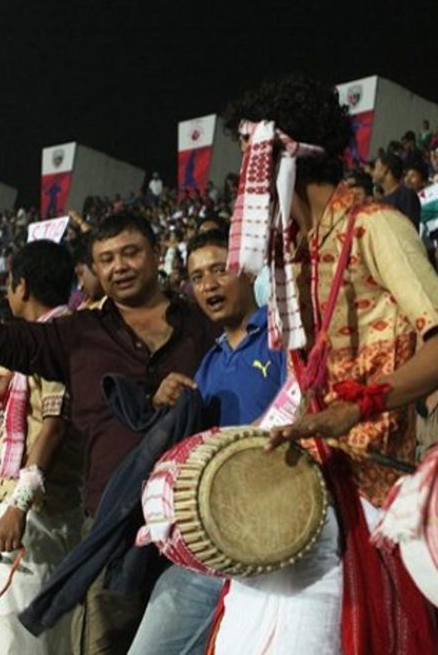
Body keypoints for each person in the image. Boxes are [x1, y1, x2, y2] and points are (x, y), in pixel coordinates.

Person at [217, 73, 438, 654]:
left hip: (362, 486)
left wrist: (357, 406)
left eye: (249, 158)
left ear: (280, 157)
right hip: (305, 482)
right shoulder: (292, 250)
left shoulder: (376, 225)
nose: (242, 181)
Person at [0, 210, 218, 655]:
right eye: (107, 259)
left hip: (198, 515)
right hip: (112, 525)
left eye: (131, 253)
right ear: (94, 269)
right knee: (104, 645)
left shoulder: (203, 324)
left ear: (157, 254)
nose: (120, 267)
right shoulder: (79, 333)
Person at [128, 229, 286, 655]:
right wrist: (165, 404)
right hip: (211, 536)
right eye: (197, 277)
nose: (208, 285)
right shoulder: (209, 363)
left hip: (272, 533)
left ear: (247, 272)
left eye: (219, 270)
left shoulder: (282, 338)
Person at [0, 241, 85, 654]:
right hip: (17, 507)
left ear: (22, 286)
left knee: (25, 639)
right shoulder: (43, 339)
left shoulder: (59, 337)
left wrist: (18, 505)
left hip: (36, 512)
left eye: (9, 285)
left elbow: (53, 427)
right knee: (3, 635)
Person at [371, 152, 421, 229]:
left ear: (385, 169)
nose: (373, 172)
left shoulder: (406, 195)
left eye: (376, 167)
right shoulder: (380, 201)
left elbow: (410, 228)